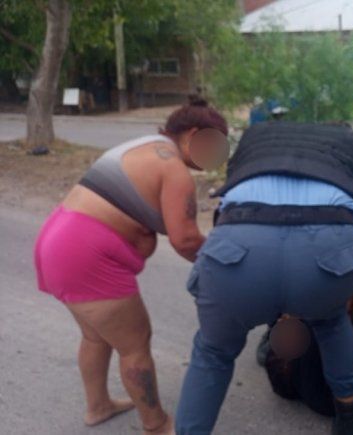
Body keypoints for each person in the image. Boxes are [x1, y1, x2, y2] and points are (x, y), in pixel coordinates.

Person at [175, 121, 353, 435]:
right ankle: (347, 419)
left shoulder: (254, 149)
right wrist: (350, 298)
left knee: (213, 353)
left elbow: (225, 210)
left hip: (241, 248)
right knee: (331, 323)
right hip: (326, 255)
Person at [34, 97, 228, 434]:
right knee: (135, 344)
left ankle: (98, 407)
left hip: (58, 241)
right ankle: (156, 425)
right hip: (87, 255)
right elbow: (185, 240)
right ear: (195, 135)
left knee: (96, 337)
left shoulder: (147, 146)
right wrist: (227, 265)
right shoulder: (174, 168)